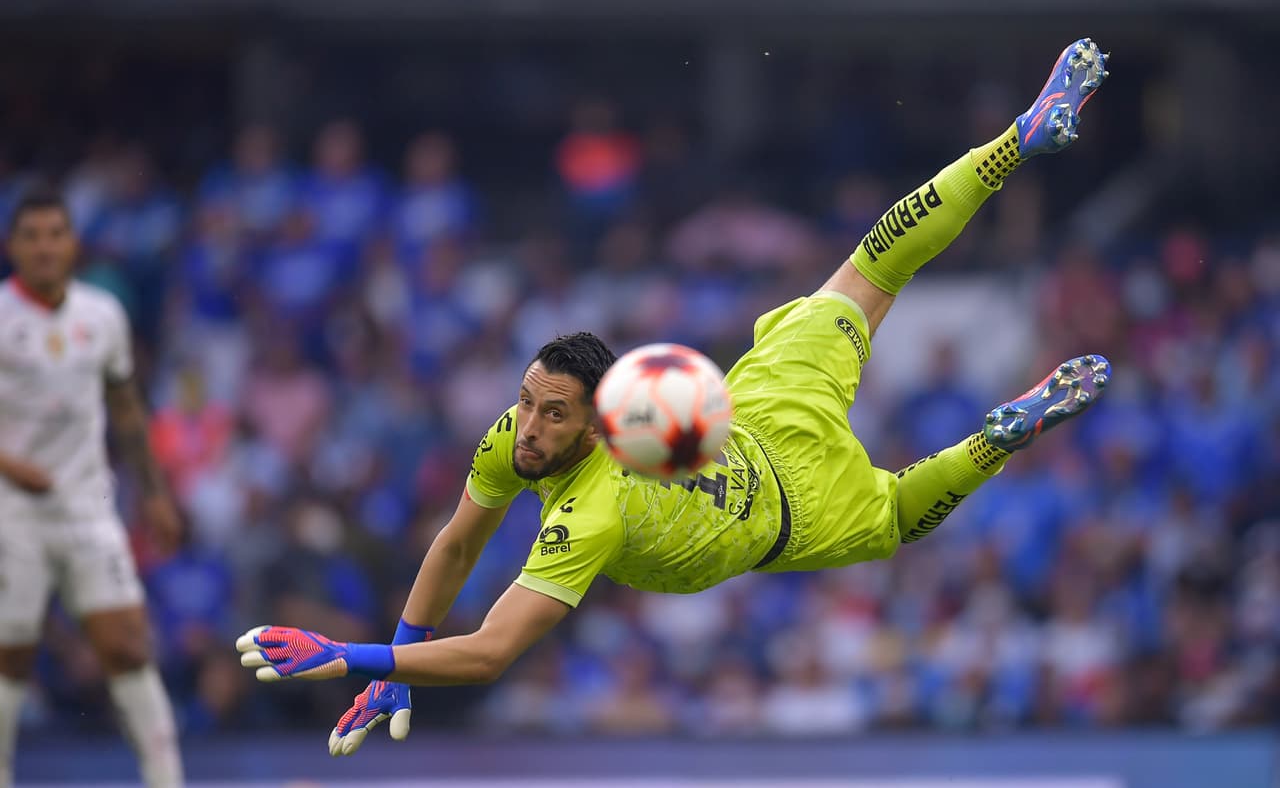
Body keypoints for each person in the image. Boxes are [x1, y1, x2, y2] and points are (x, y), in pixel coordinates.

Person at [236, 38, 1113, 756]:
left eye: (552, 413)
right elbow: (460, 539)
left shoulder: (595, 513)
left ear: (598, 420)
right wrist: (403, 651)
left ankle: (1000, 424)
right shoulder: (522, 433)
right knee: (868, 270)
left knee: (895, 518)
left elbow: (497, 650)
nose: (528, 427)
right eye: (528, 400)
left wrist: (351, 658)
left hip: (791, 513)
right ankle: (1017, 145)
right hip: (757, 408)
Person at [0, 190, 185, 786]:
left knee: (129, 646)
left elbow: (125, 406)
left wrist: (154, 492)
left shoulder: (102, 315)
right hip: (12, 513)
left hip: (87, 506)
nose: (45, 246)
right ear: (13, 247)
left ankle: (166, 778)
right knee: (11, 660)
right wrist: (7, 463)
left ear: (73, 243)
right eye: (32, 235)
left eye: (56, 233)